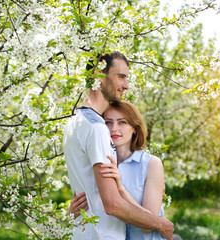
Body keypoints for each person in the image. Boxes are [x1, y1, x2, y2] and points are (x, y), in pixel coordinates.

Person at [63, 51, 174, 240]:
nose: (126, 86)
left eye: (122, 122)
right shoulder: (96, 128)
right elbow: (112, 204)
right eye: (121, 77)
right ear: (98, 75)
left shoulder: (73, 122)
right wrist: (159, 223)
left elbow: (89, 187)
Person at [70, 100, 167, 240]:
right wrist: (72, 212)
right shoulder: (99, 163)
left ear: (135, 128)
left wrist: (120, 188)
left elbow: (148, 225)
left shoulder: (151, 164)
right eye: (108, 122)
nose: (114, 128)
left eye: (122, 122)